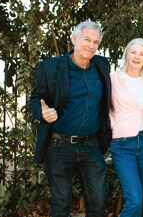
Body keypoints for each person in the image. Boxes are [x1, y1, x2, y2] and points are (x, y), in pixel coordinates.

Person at [30, 21, 111, 217]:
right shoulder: (50, 67)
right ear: (74, 39)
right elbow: (35, 100)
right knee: (61, 203)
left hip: (91, 145)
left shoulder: (102, 65)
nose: (91, 46)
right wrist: (43, 113)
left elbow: (125, 76)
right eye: (87, 40)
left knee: (98, 202)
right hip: (59, 145)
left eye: (96, 42)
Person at [109, 38, 143, 216]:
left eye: (142, 54)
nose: (137, 57)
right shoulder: (112, 79)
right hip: (121, 144)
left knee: (138, 197)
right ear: (127, 53)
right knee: (134, 199)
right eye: (134, 52)